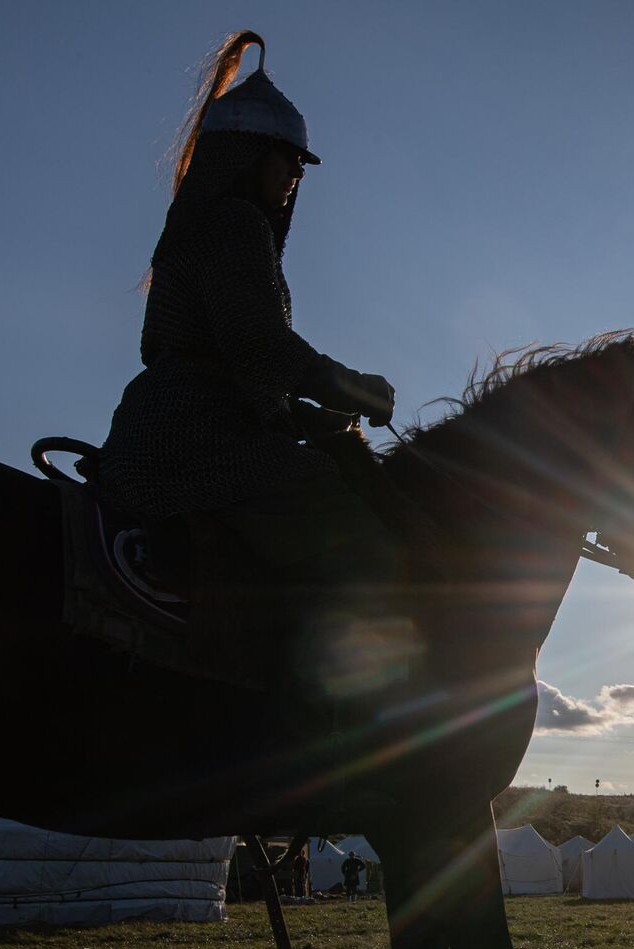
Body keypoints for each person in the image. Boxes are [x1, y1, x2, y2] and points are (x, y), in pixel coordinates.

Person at [99, 31, 408, 703]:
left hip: (177, 420)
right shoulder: (236, 223)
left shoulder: (212, 227)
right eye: (285, 161)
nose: (293, 177)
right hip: (199, 436)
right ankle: (311, 718)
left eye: (299, 166)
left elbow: (242, 363)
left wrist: (305, 413)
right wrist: (353, 387)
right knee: (358, 541)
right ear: (245, 158)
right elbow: (262, 350)